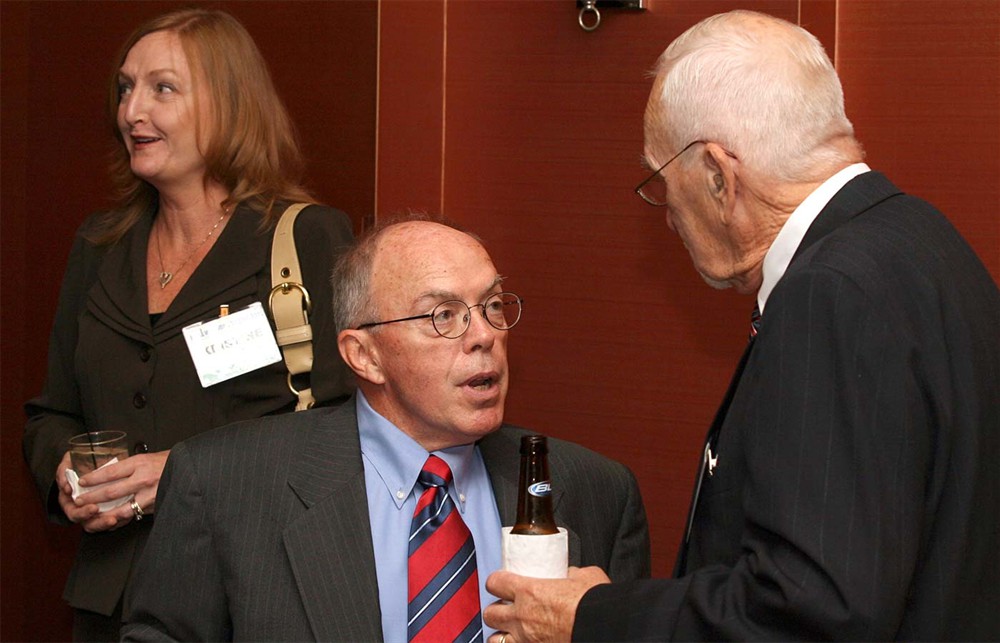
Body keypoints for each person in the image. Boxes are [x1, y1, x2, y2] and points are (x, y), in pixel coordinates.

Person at [484, 9, 1000, 641]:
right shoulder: (921, 238)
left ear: (718, 176)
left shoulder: (828, 294)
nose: (667, 217)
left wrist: (593, 617)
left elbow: (808, 612)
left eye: (661, 184)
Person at [119, 217, 651, 641]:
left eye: (491, 306)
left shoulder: (596, 491)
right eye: (443, 315)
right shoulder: (225, 484)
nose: (485, 335)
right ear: (364, 355)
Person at [21, 8, 355, 641]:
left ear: (228, 105)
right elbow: (50, 414)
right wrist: (65, 472)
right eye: (125, 88)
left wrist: (178, 472)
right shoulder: (98, 247)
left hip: (251, 596)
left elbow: (349, 433)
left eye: (162, 89)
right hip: (111, 602)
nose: (131, 112)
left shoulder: (304, 238)